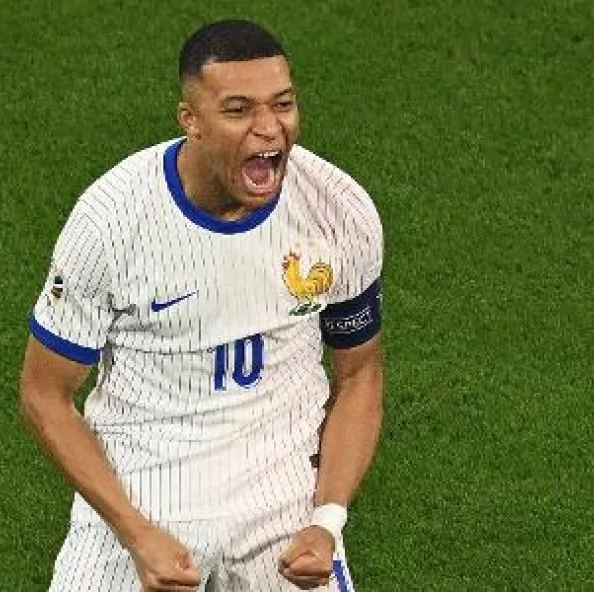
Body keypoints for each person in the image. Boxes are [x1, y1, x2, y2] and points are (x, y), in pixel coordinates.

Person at [20, 18, 384, 592]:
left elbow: (360, 374)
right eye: (239, 110)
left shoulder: (338, 211)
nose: (269, 128)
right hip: (143, 491)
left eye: (283, 104)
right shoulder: (110, 222)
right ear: (190, 120)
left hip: (281, 501)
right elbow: (44, 394)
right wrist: (136, 532)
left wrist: (327, 520)